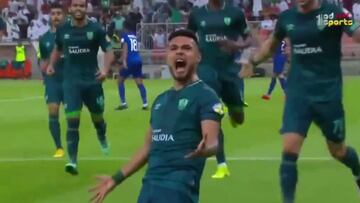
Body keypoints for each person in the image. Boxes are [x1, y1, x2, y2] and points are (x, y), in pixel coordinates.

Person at [89, 29, 223, 203]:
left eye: (186, 48)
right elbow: (147, 148)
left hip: (178, 190)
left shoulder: (206, 96)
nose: (179, 52)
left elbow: (212, 141)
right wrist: (114, 180)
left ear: (198, 57)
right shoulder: (161, 100)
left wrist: (207, 149)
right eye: (173, 48)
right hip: (149, 188)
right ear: (168, 56)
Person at [247, 0, 360, 202]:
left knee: (338, 151)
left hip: (328, 94)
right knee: (290, 147)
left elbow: (355, 32)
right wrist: (252, 61)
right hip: (299, 92)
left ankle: (358, 171)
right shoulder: (288, 18)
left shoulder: (330, 15)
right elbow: (272, 45)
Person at [47, 0, 114, 175]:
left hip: (92, 82)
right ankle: (72, 161)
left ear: (86, 9)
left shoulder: (96, 29)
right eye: (75, 5)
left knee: (97, 118)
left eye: (82, 6)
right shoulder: (63, 30)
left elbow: (109, 50)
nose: (78, 9)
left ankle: (102, 136)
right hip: (71, 83)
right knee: (72, 121)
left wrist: (105, 70)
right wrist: (51, 64)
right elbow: (57, 48)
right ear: (70, 8)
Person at [188, 0, 250, 178]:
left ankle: (234, 110)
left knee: (239, 117)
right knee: (213, 114)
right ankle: (221, 164)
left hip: (229, 72)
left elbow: (248, 38)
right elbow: (188, 38)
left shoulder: (235, 13)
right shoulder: (197, 14)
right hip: (206, 70)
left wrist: (236, 46)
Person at [39, 3, 65, 158]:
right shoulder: (45, 39)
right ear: (50, 16)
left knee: (72, 115)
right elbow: (42, 62)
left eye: (59, 13)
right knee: (53, 110)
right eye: (53, 13)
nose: (56, 16)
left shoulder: (71, 35)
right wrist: (48, 65)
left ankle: (71, 145)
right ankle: (59, 147)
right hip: (53, 81)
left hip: (69, 79)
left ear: (64, 16)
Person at [115, 21, 148, 110]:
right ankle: (145, 104)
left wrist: (123, 61)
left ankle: (123, 103)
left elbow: (125, 50)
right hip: (138, 60)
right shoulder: (134, 36)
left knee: (120, 81)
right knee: (139, 83)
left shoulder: (125, 37)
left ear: (125, 28)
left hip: (130, 61)